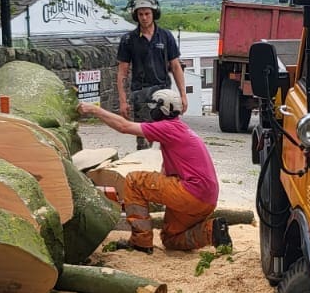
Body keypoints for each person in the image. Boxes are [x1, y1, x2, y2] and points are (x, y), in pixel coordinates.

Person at [78, 88, 229, 254]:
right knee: (170, 239)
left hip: (191, 192)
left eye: (154, 107)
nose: (151, 111)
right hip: (206, 199)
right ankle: (212, 231)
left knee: (134, 181)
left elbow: (124, 126)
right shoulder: (179, 130)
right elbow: (165, 172)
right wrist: (151, 195)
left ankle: (140, 242)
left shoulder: (168, 127)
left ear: (162, 108)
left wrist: (94, 109)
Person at [117, 0, 186, 150]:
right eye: (140, 14)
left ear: (154, 13)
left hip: (165, 94)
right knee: (144, 143)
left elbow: (175, 66)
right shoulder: (128, 40)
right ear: (136, 16)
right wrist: (123, 100)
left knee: (169, 140)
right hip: (141, 95)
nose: (144, 17)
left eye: (147, 13)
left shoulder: (166, 36)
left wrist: (182, 95)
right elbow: (122, 72)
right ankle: (146, 172)